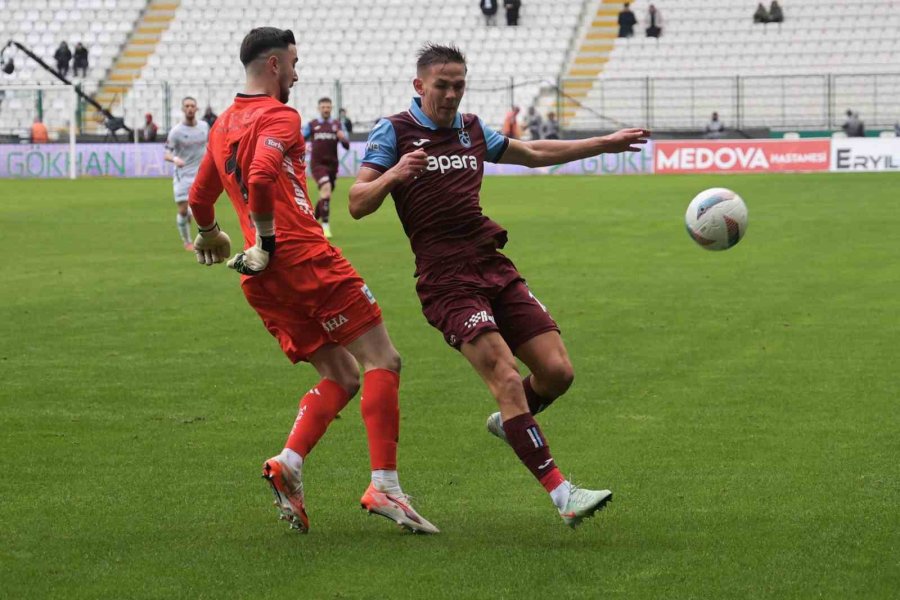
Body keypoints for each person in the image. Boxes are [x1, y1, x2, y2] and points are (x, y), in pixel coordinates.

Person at [349, 43, 649, 529]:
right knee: (506, 377)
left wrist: (603, 143)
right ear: (419, 85)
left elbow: (531, 152)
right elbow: (357, 202)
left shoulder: (470, 129)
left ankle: (514, 424)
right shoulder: (395, 131)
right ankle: (563, 494)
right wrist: (396, 174)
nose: (451, 95)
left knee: (557, 373)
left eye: (458, 86)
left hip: (492, 265)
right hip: (446, 280)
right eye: (442, 86)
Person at [188, 27, 438, 535]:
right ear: (274, 64)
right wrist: (267, 239)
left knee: (342, 374)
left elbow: (199, 197)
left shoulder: (221, 126)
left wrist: (212, 233)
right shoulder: (279, 115)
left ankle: (289, 462)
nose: (297, 74)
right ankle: (385, 485)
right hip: (303, 258)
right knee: (383, 359)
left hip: (262, 280)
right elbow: (261, 176)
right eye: (294, 63)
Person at [164, 97, 209, 251]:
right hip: (182, 175)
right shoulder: (176, 132)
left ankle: (207, 238)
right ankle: (187, 241)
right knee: (183, 210)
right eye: (187, 106)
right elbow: (166, 154)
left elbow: (210, 146)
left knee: (202, 208)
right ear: (183, 109)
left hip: (200, 175)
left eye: (192, 106)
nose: (190, 108)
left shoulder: (204, 127)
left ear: (197, 109)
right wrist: (175, 159)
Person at [302, 97, 350, 239]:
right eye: (323, 107)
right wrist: (303, 148)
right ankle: (325, 227)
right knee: (326, 189)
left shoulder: (338, 125)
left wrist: (342, 138)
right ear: (319, 109)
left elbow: (347, 145)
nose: (326, 110)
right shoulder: (312, 125)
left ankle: (310, 223)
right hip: (317, 165)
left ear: (331, 108)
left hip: (332, 166)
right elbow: (299, 139)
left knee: (325, 195)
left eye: (328, 107)